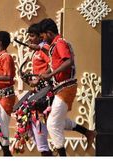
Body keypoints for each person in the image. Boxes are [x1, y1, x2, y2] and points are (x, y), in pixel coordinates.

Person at [37, 18, 96, 156]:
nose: (43, 40)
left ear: (49, 33)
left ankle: (62, 157)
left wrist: (51, 73)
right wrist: (43, 75)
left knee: (52, 123)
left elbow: (69, 61)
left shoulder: (60, 43)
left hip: (66, 88)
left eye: (43, 36)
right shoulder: (55, 45)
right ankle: (88, 132)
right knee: (59, 121)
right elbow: (55, 66)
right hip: (62, 88)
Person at [22, 23, 52, 156]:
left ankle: (45, 150)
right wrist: (29, 79)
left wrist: (39, 79)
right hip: (39, 90)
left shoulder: (44, 48)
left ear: (41, 36)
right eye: (29, 36)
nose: (30, 39)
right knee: (30, 120)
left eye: (32, 36)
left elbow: (53, 65)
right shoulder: (37, 51)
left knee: (40, 120)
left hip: (46, 90)